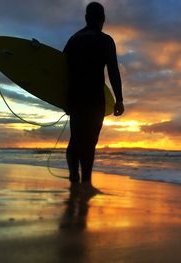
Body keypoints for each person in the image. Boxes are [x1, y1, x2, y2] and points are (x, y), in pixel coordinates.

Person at [63, 2, 124, 184]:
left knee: (75, 138)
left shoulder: (74, 39)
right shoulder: (105, 41)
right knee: (90, 141)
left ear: (86, 18)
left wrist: (64, 99)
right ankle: (86, 179)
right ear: (102, 19)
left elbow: (62, 70)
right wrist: (119, 99)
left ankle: (74, 174)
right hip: (95, 98)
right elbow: (113, 71)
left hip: (75, 96)